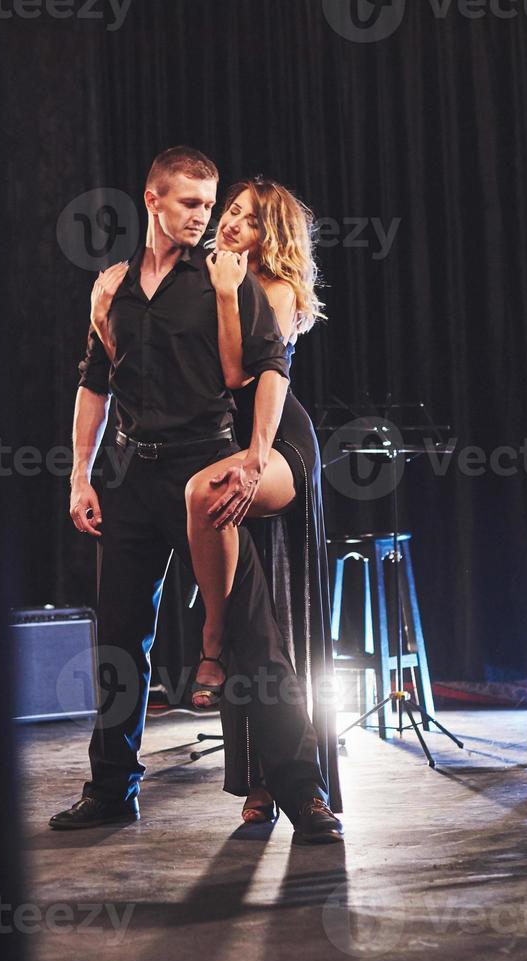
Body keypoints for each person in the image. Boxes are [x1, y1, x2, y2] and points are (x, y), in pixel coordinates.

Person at [49, 147, 342, 844]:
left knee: (255, 636)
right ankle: (111, 789)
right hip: (130, 477)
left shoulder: (224, 280)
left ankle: (303, 795)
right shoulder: (110, 288)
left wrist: (252, 460)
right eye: (190, 204)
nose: (203, 218)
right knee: (119, 640)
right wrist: (79, 475)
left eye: (209, 206)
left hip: (204, 468)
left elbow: (268, 371)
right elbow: (94, 386)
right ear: (151, 200)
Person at [185, 176, 340, 824]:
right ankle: (261, 784)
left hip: (277, 443)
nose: (228, 224)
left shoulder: (272, 290)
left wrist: (224, 293)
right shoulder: (209, 280)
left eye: (245, 219)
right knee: (258, 609)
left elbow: (234, 374)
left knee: (210, 499)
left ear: (268, 234)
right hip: (231, 439)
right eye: (229, 212)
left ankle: (210, 641)